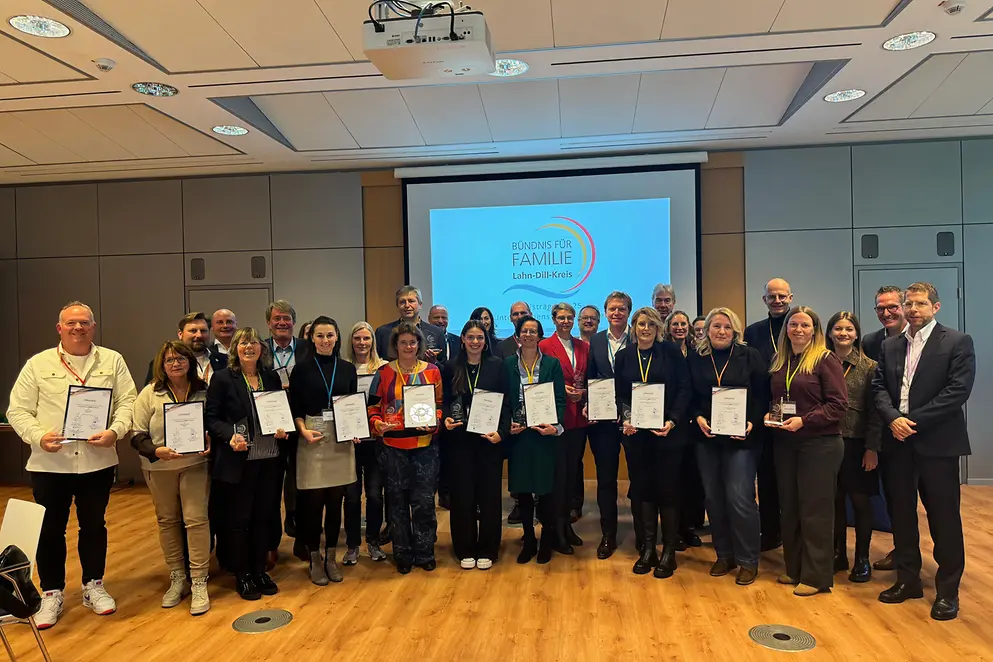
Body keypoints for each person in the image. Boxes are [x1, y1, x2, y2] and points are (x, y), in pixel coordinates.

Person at [6, 301, 137, 630]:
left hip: (98, 461)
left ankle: (94, 585)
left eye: (84, 323)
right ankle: (51, 592)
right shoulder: (38, 364)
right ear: (59, 328)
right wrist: (38, 436)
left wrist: (115, 431)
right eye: (71, 323)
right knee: (50, 531)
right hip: (51, 462)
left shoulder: (112, 360)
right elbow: (17, 410)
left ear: (93, 326)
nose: (78, 328)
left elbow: (128, 401)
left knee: (94, 526)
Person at [872, 282, 975, 621]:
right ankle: (908, 580)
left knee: (944, 519)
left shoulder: (957, 342)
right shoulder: (889, 346)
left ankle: (947, 591)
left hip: (937, 444)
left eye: (920, 303)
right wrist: (892, 420)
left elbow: (957, 392)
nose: (913, 309)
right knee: (901, 516)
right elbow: (879, 388)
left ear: (936, 307)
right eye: (909, 303)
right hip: (898, 444)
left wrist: (910, 421)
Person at [765, 306, 847, 597]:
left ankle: (817, 576)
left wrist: (805, 420)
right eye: (793, 324)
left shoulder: (826, 360)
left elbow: (838, 405)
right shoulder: (781, 360)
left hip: (819, 444)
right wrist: (770, 416)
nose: (798, 329)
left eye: (805, 325)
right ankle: (795, 568)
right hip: (786, 442)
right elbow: (779, 397)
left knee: (815, 511)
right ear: (786, 329)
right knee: (790, 508)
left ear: (815, 331)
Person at [205, 327, 288, 600]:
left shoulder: (270, 377)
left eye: (253, 342)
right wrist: (231, 435)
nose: (248, 346)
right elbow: (212, 418)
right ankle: (242, 574)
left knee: (264, 516)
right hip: (239, 460)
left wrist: (283, 428)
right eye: (243, 342)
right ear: (235, 349)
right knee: (239, 520)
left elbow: (280, 411)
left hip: (269, 458)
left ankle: (259, 569)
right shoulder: (223, 379)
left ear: (261, 348)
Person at [130, 341, 211, 615]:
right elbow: (136, 434)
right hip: (159, 467)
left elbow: (213, 424)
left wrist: (210, 439)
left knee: (196, 520)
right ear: (161, 365)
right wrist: (156, 451)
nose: (175, 364)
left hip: (195, 464)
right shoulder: (149, 393)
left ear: (190, 361)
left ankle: (199, 580)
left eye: (180, 359)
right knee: (167, 522)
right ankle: (178, 577)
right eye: (169, 360)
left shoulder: (202, 391)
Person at [688, 308, 766, 586]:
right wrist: (697, 417)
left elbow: (762, 396)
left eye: (727, 327)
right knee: (714, 498)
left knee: (740, 497)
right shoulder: (697, 358)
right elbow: (690, 395)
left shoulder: (750, 356)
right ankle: (724, 554)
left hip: (741, 439)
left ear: (735, 332)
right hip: (707, 438)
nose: (721, 331)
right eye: (716, 326)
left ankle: (748, 560)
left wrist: (751, 423)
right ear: (707, 329)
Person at [615, 307, 690, 579]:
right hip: (637, 437)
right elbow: (621, 394)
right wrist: (627, 419)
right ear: (633, 328)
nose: (645, 328)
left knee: (667, 492)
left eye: (650, 324)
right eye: (640, 324)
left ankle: (669, 552)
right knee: (643, 491)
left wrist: (672, 421)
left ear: (658, 328)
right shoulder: (624, 356)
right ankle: (647, 549)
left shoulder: (670, 352)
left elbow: (684, 388)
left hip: (667, 434)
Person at [367, 323, 444, 574]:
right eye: (403, 343)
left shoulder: (432, 371)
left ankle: (424, 552)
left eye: (413, 342)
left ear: (419, 344)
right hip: (393, 447)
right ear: (395, 346)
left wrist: (435, 422)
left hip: (424, 446)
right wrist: (377, 423)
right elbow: (373, 406)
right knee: (397, 503)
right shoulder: (384, 372)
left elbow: (440, 404)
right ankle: (402, 553)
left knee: (423, 503)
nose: (408, 347)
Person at [288, 316, 359, 586]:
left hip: (341, 439)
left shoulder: (347, 368)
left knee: (335, 502)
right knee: (312, 504)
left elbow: (352, 405)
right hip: (312, 437)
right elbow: (294, 408)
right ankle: (314, 557)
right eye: (320, 336)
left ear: (337, 337)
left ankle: (331, 556)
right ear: (312, 338)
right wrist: (302, 430)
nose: (325, 340)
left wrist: (355, 429)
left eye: (330, 335)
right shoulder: (301, 370)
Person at [442, 320, 509, 569]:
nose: (475, 342)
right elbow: (445, 401)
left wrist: (502, 432)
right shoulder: (450, 367)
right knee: (463, 498)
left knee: (490, 498)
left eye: (479, 338)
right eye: (470, 337)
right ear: (462, 339)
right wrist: (446, 418)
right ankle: (464, 548)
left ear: (486, 340)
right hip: (460, 442)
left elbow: (506, 402)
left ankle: (489, 549)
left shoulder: (497, 366)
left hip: (488, 440)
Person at [503, 316, 566, 564]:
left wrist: (554, 425)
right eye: (524, 331)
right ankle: (528, 540)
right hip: (520, 436)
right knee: (524, 493)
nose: (528, 334)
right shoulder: (507, 364)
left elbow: (559, 399)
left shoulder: (552, 364)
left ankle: (547, 540)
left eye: (533, 331)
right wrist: (508, 422)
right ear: (518, 336)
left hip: (544, 435)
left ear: (540, 336)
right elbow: (504, 398)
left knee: (546, 492)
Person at [825, 311, 882, 583]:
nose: (843, 334)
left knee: (860, 501)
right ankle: (838, 554)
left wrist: (872, 448)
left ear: (857, 334)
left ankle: (862, 558)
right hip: (825, 442)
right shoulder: (820, 363)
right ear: (829, 333)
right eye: (838, 329)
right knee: (834, 500)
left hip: (858, 444)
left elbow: (875, 412)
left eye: (848, 329)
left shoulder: (869, 367)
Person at [743, 277, 794, 552]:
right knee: (766, 476)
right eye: (772, 296)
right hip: (763, 413)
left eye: (782, 296)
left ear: (790, 297)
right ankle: (770, 531)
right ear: (764, 300)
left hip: (795, 413)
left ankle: (792, 533)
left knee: (791, 476)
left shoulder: (799, 325)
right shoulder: (753, 332)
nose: (777, 301)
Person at [861, 285, 906, 573]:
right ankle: (901, 549)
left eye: (892, 307)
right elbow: (870, 390)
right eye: (880, 308)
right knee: (891, 495)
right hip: (879, 428)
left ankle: (908, 552)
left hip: (911, 429)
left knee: (908, 497)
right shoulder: (870, 341)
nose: (886, 313)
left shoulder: (918, 340)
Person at [539, 303, 590, 554]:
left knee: (572, 474)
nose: (566, 321)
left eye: (570, 317)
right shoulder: (543, 347)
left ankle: (568, 526)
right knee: (558, 477)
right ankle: (555, 529)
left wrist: (585, 393)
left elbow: (591, 378)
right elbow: (538, 383)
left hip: (579, 420)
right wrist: (563, 391)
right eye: (561, 317)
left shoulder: (584, 347)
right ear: (553, 319)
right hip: (557, 420)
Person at [585, 291, 631, 559]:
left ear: (628, 311)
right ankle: (608, 535)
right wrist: (590, 403)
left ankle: (644, 534)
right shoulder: (597, 341)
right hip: (603, 421)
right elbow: (592, 376)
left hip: (633, 418)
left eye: (621, 309)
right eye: (612, 309)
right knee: (606, 479)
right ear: (606, 312)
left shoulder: (638, 337)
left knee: (639, 477)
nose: (616, 313)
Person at [341, 322, 388, 564]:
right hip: (351, 441)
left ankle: (373, 541)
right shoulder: (344, 368)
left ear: (373, 341)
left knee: (374, 495)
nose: (362, 343)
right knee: (350, 496)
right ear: (351, 341)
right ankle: (352, 545)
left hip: (376, 441)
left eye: (366, 338)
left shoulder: (384, 368)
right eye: (357, 338)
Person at [265, 300, 308, 559]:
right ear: (269, 323)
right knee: (270, 486)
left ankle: (302, 539)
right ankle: (270, 544)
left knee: (302, 483)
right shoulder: (259, 349)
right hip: (270, 426)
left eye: (287, 318)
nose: (282, 323)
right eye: (276, 318)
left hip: (302, 422)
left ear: (294, 321)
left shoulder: (306, 348)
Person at [665, 309, 705, 548]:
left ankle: (689, 526)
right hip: (673, 423)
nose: (679, 327)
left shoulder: (696, 353)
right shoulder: (663, 353)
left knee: (693, 478)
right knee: (675, 480)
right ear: (668, 327)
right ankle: (675, 529)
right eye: (675, 323)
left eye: (683, 323)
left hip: (695, 424)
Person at [496, 300, 535, 526]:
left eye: (523, 313)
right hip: (513, 415)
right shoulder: (502, 347)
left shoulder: (542, 345)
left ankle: (539, 502)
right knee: (516, 462)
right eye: (515, 313)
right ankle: (520, 503)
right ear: (510, 318)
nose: (519, 316)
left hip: (539, 414)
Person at [144, 312, 226, 386]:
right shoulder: (162, 363)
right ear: (180, 334)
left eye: (203, 331)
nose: (199, 335)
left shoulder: (225, 361)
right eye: (193, 331)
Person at [374, 286, 447, 362]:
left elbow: (443, 367)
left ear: (420, 304)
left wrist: (434, 362)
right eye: (402, 302)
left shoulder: (436, 332)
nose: (407, 305)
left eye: (411, 301)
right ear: (397, 306)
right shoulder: (383, 332)